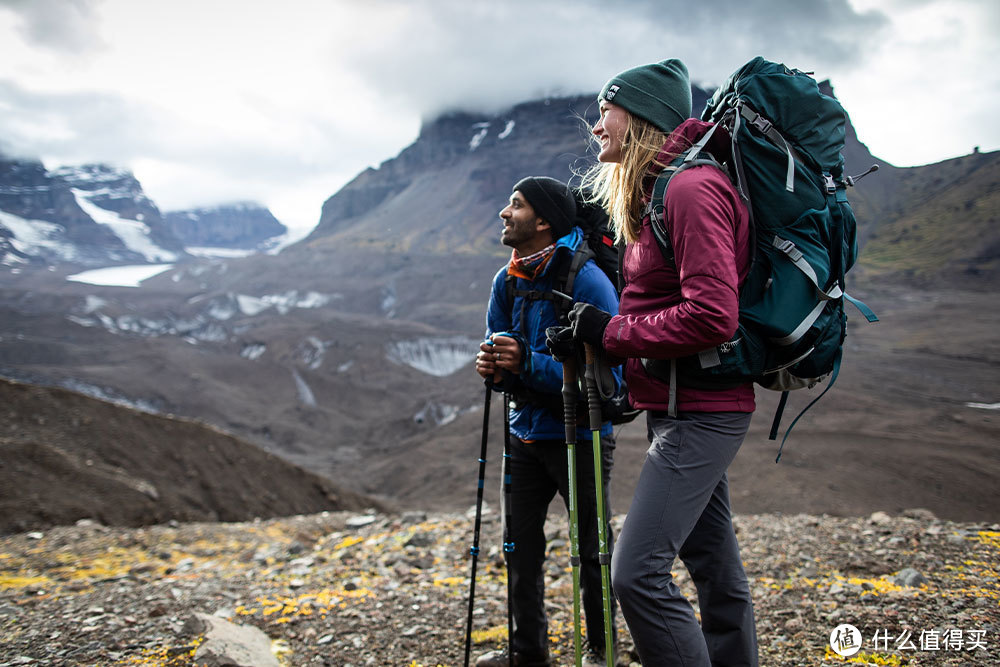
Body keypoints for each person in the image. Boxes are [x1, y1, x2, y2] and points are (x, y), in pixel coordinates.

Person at [552, 59, 759, 666]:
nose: (596, 128)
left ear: (640, 116)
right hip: (679, 406)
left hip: (702, 413)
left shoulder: (691, 190)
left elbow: (713, 316)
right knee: (715, 573)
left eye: (605, 112)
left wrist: (611, 333)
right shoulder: (662, 190)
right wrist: (619, 367)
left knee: (635, 575)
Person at [474, 176, 621, 667]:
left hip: (579, 434)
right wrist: (494, 368)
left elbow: (611, 376)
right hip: (524, 432)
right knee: (519, 550)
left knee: (593, 553)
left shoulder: (587, 280)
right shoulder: (507, 280)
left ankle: (602, 650)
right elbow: (501, 360)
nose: (503, 213)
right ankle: (527, 654)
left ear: (542, 221)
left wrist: (526, 364)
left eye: (514, 205)